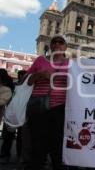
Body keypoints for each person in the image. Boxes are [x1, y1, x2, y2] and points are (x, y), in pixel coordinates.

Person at [25, 34, 69, 170]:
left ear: (65, 47)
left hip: (60, 109)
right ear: (50, 46)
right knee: (38, 145)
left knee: (58, 145)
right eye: (54, 42)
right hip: (39, 108)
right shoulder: (40, 61)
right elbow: (25, 80)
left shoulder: (71, 64)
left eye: (60, 42)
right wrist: (39, 75)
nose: (57, 44)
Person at [0, 69, 15, 163]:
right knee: (7, 136)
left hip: (10, 116)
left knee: (7, 136)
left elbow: (2, 102)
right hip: (8, 116)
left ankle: (5, 155)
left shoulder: (6, 89)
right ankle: (4, 154)